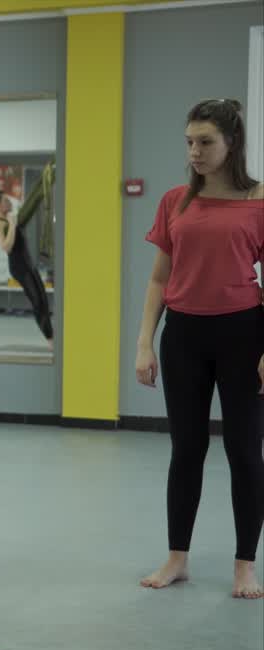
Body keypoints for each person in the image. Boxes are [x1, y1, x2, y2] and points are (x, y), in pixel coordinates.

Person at [134, 99, 264, 600]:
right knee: (186, 450)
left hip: (244, 336)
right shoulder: (175, 201)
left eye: (206, 141)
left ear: (231, 142)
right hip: (183, 337)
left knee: (245, 452)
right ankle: (177, 558)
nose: (195, 151)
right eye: (189, 141)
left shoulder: (258, 200)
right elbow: (159, 278)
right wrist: (144, 342)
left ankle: (244, 565)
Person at [0, 189, 54, 347]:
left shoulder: (14, 219)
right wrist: (12, 225)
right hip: (19, 267)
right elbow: (6, 247)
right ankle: (51, 340)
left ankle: (52, 337)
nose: (9, 202)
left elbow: (31, 205)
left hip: (29, 264)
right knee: (37, 302)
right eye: (5, 201)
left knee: (44, 301)